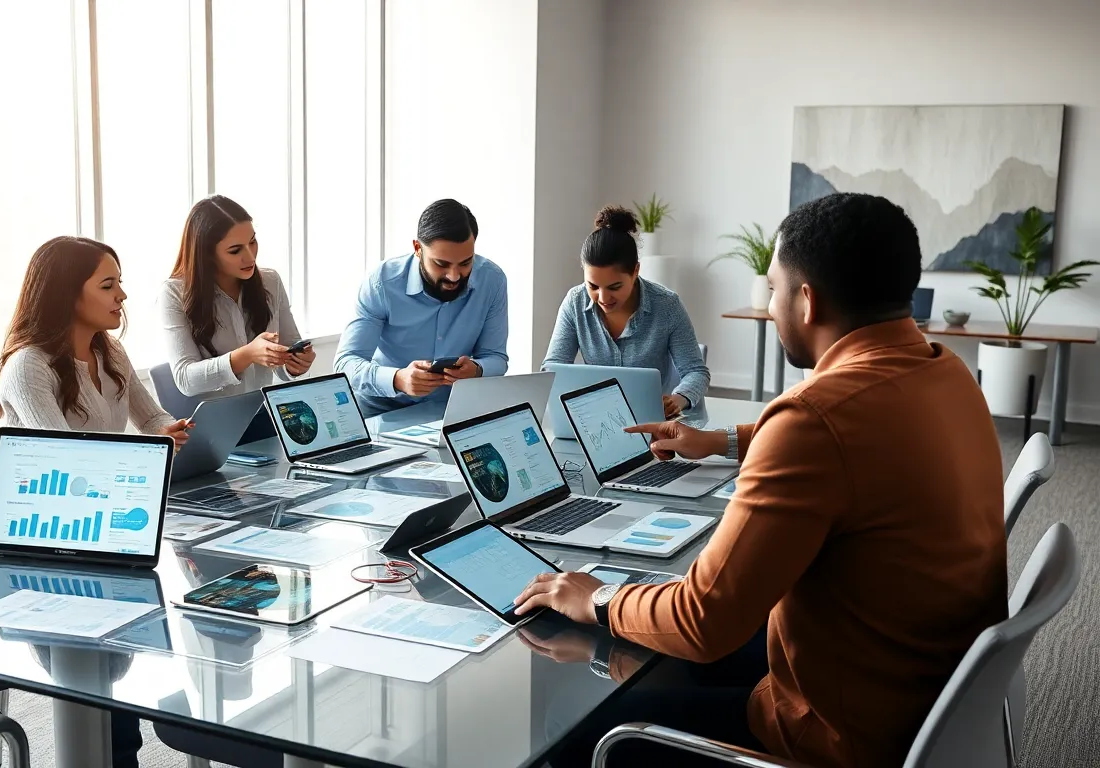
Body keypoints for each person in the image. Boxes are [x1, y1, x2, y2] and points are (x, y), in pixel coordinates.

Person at [513, 193, 1006, 768]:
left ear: (807, 301)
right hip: (921, 696)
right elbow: (853, 443)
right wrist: (721, 441)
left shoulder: (812, 419)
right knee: (656, 649)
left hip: (830, 732)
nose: (770, 307)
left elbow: (701, 624)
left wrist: (595, 597)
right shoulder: (946, 371)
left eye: (773, 290)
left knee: (583, 725)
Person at [0, 235, 191, 768]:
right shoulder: (27, 367)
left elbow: (149, 416)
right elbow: (65, 460)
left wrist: (171, 429)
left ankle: (118, 737)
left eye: (119, 282)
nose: (122, 296)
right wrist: (135, 466)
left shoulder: (108, 348)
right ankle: (114, 746)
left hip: (97, 491)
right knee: (96, 627)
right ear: (66, 295)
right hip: (31, 499)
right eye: (108, 284)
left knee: (122, 625)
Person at [158, 195, 314, 443]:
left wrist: (295, 364)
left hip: (265, 416)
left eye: (252, 242)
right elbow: (186, 379)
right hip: (208, 431)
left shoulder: (270, 282)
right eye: (235, 250)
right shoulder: (174, 293)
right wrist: (247, 354)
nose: (250, 257)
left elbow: (287, 358)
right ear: (206, 254)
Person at [333, 198, 508, 415]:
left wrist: (477, 370)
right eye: (441, 264)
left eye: (465, 263)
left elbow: (496, 358)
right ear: (417, 248)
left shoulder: (492, 280)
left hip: (450, 412)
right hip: (379, 413)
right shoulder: (381, 283)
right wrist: (397, 379)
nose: (454, 276)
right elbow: (345, 364)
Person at [542, 205, 709, 421]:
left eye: (614, 287)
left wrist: (678, 399)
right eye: (593, 286)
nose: (603, 298)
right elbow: (552, 370)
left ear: (635, 271)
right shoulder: (575, 302)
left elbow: (696, 372)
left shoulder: (667, 305)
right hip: (598, 421)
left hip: (655, 423)